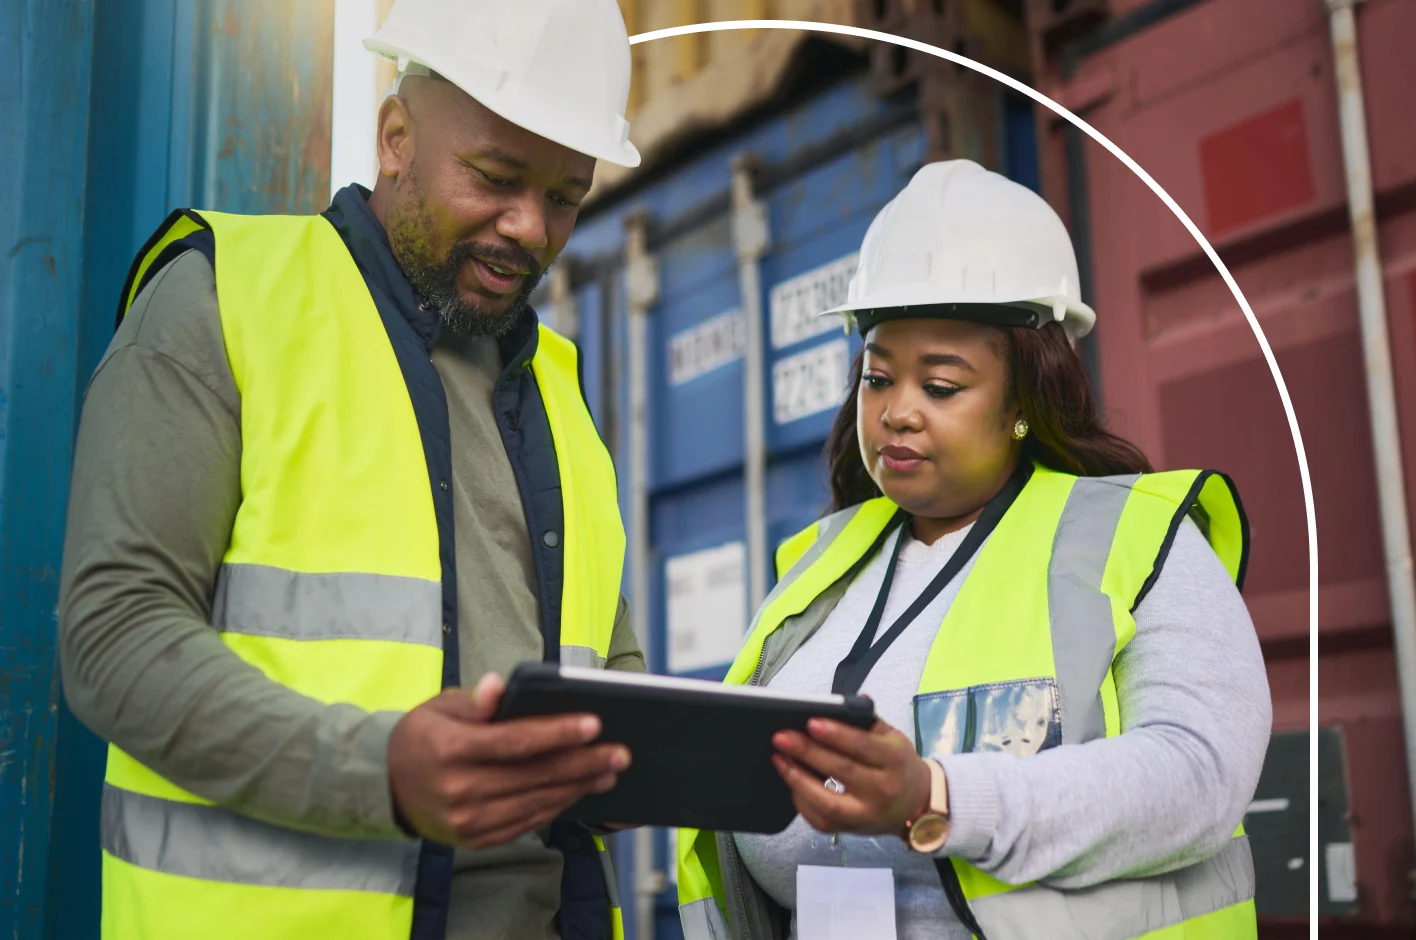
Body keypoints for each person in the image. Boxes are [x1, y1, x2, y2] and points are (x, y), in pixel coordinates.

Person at [58, 1, 644, 938]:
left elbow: (608, 669)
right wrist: (382, 773)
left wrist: (644, 760)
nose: (530, 227)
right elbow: (112, 638)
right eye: (494, 178)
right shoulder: (224, 301)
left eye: (567, 196)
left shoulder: (562, 396)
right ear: (397, 137)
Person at [677, 160, 1271, 940]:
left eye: (942, 386)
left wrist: (937, 795)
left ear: (1027, 397)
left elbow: (1198, 778)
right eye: (878, 379)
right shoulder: (820, 562)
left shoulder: (1140, 539)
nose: (897, 413)